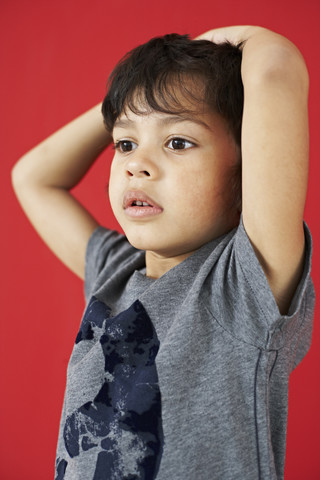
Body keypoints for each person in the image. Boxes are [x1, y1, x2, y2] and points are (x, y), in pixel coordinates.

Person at [12, 25, 314, 480]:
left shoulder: (242, 286)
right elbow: (32, 177)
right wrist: (131, 101)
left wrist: (217, 40)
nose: (137, 163)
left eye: (178, 142)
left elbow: (278, 68)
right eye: (125, 143)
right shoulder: (114, 275)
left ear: (245, 177)